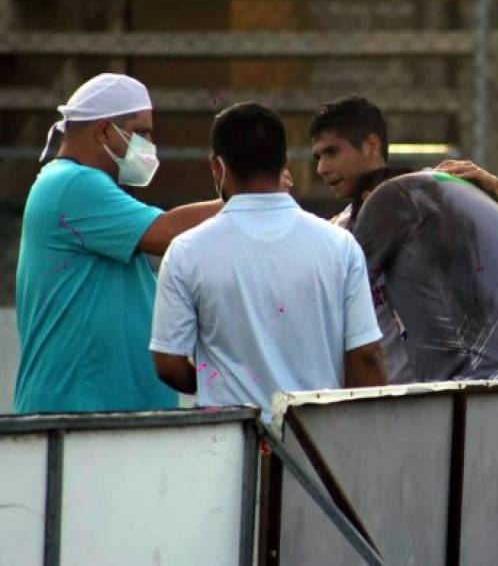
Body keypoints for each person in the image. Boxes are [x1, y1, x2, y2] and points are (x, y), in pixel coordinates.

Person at [150, 102, 386, 419]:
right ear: (284, 163)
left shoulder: (187, 250)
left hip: (230, 444)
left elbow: (168, 363)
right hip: (315, 443)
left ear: (217, 167)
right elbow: (365, 357)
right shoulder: (339, 246)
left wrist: (215, 384)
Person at [310, 96, 498, 382]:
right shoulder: (341, 230)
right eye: (318, 157)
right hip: (392, 392)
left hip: (453, 384)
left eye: (332, 152)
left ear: (371, 145)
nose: (322, 168)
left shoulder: (429, 200)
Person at [14, 73, 224, 414]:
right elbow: (167, 234)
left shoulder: (80, 187)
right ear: (104, 131)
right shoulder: (73, 183)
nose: (149, 143)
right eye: (140, 132)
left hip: (106, 413)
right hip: (80, 412)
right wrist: (246, 195)